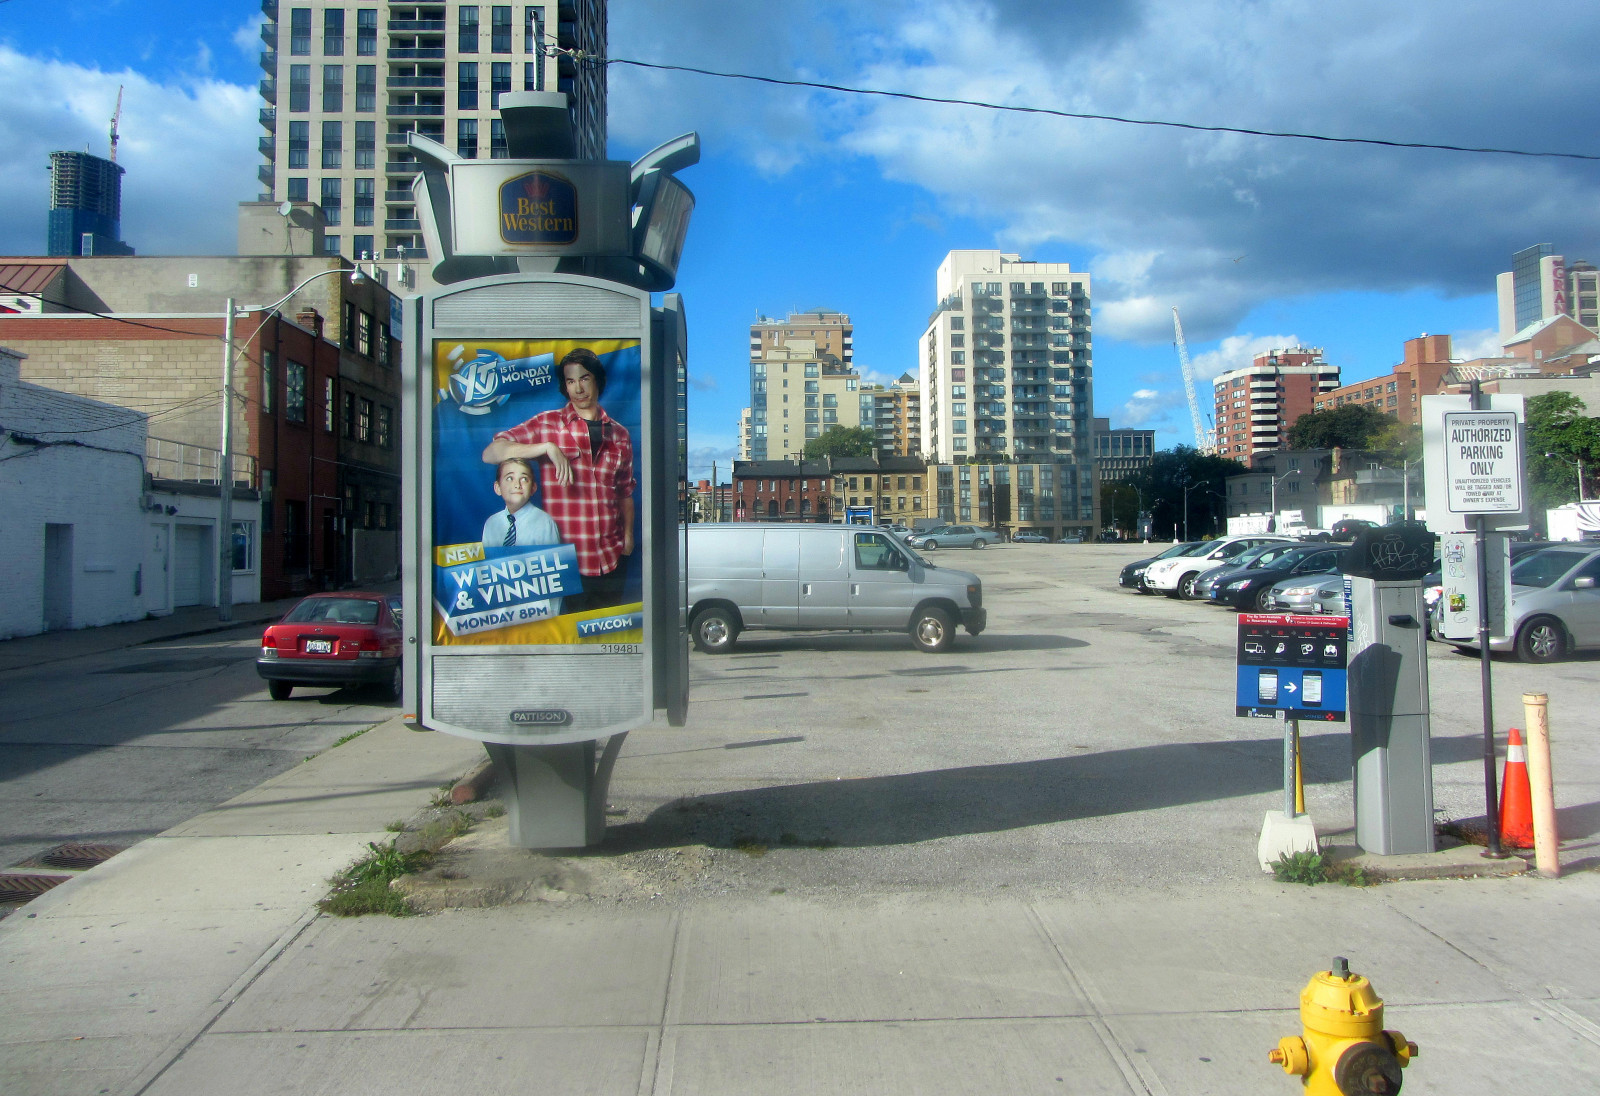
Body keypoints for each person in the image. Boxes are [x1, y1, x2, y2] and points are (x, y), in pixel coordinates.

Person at [481, 347, 636, 612]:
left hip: (612, 559)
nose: (578, 388)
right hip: (566, 563)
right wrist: (545, 448)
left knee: (608, 640)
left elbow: (624, 492)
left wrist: (629, 538)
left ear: (597, 379)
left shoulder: (619, 434)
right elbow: (491, 453)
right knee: (573, 642)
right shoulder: (548, 425)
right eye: (570, 380)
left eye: (584, 378)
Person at [481, 458, 560, 548]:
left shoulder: (545, 522)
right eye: (510, 478)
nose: (517, 485)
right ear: (497, 488)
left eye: (524, 479)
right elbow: (488, 560)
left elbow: (552, 560)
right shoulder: (491, 523)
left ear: (533, 488)